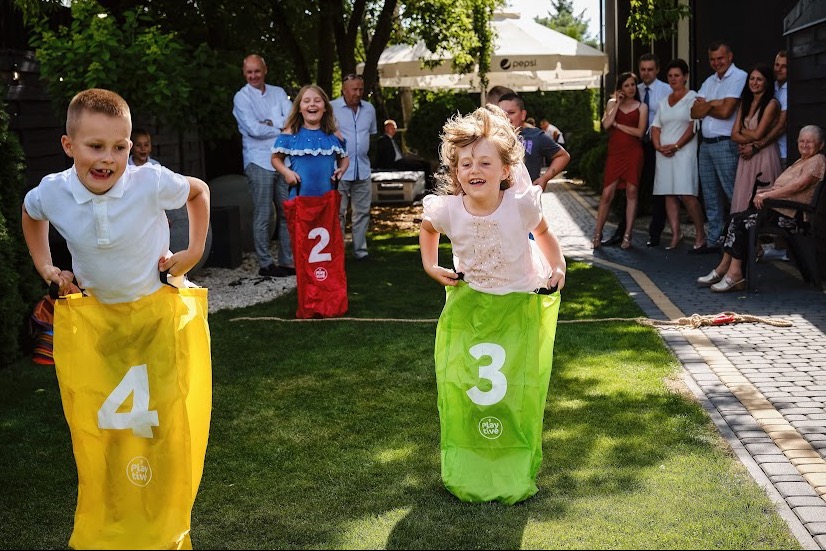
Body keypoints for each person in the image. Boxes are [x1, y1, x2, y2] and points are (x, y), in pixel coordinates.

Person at [21, 88, 210, 304]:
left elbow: (199, 191)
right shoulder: (54, 191)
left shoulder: (150, 180)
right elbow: (30, 211)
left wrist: (194, 251)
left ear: (129, 148)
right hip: (96, 313)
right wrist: (44, 264)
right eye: (96, 146)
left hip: (159, 307)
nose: (108, 158)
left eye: (119, 147)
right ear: (69, 146)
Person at [419, 104, 566, 294]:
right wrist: (430, 265)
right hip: (470, 303)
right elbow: (427, 229)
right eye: (466, 164)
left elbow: (543, 231)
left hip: (519, 301)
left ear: (504, 170)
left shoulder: (520, 205)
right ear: (457, 172)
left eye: (485, 163)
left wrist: (558, 266)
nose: (475, 169)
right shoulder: (448, 210)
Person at [696, 125, 825, 292]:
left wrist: (768, 196)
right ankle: (725, 269)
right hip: (781, 211)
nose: (805, 144)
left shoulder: (817, 160)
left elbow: (798, 186)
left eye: (810, 141)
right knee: (735, 218)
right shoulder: (801, 161)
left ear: (820, 145)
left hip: (793, 217)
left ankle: (733, 274)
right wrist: (766, 192)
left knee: (743, 221)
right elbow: (788, 188)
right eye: (802, 141)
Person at [232, 54, 295, 278]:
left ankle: (288, 261)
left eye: (257, 71)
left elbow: (291, 119)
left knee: (288, 211)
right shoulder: (241, 98)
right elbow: (253, 130)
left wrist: (271, 123)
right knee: (264, 213)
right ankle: (266, 263)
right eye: (249, 72)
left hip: (283, 159)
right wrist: (279, 127)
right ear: (244, 72)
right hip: (258, 161)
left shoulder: (278, 92)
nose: (253, 76)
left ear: (264, 70)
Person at [603, 53, 671, 248]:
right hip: (635, 146)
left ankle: (655, 234)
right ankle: (622, 232)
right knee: (631, 190)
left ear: (657, 70)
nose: (646, 73)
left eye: (650, 69)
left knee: (657, 188)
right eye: (643, 69)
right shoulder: (633, 88)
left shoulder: (666, 90)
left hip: (658, 144)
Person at [690, 40, 748, 253]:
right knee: (710, 196)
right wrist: (717, 103)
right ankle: (714, 241)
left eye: (720, 58)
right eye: (712, 59)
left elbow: (727, 112)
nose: (716, 63)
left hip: (725, 145)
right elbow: (694, 112)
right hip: (705, 146)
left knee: (733, 194)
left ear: (730, 56)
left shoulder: (740, 76)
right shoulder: (709, 81)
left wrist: (708, 105)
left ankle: (741, 241)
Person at [650, 58, 707, 251]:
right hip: (663, 153)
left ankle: (700, 234)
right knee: (669, 194)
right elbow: (656, 127)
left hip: (683, 152)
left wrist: (675, 146)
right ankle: (676, 235)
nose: (673, 79)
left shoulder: (693, 97)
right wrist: (658, 146)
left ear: (685, 77)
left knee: (686, 193)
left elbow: (693, 127)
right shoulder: (663, 102)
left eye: (677, 75)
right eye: (670, 76)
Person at [593, 71, 647, 250]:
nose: (631, 88)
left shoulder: (642, 107)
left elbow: (640, 133)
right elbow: (606, 125)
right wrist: (616, 104)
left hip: (633, 152)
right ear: (620, 88)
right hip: (615, 153)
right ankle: (597, 235)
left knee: (632, 192)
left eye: (633, 85)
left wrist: (619, 125)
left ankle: (627, 235)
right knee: (607, 193)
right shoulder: (611, 103)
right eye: (627, 85)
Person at [271, 85, 349, 199]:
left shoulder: (333, 134)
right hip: (299, 200)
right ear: (299, 108)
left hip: (328, 201)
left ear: (325, 107)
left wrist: (342, 170)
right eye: (306, 101)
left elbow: (344, 157)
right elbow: (275, 158)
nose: (312, 104)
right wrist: (287, 172)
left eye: (317, 101)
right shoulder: (290, 134)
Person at [332, 73, 377, 261]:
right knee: (338, 213)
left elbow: (372, 133)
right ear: (344, 90)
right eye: (354, 89)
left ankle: (361, 251)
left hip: (363, 168)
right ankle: (337, 252)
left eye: (360, 89)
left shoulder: (369, 109)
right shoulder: (332, 108)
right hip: (339, 169)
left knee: (362, 213)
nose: (357, 93)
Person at [729, 64, 782, 215]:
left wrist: (742, 132)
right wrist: (746, 134)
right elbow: (733, 134)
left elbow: (758, 135)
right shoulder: (744, 102)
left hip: (764, 155)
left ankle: (763, 236)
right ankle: (745, 236)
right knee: (744, 195)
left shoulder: (772, 104)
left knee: (761, 197)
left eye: (759, 79)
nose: (754, 82)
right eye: (752, 78)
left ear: (767, 82)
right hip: (746, 156)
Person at [498, 92, 570, 190]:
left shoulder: (536, 136)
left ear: (523, 114)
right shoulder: (492, 137)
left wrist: (545, 178)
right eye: (502, 114)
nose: (507, 118)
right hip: (497, 201)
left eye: (511, 113)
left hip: (528, 199)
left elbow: (563, 156)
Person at [375, 119, 434, 191]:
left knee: (426, 163)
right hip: (396, 164)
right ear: (387, 128)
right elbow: (380, 156)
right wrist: (380, 168)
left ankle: (430, 187)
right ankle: (429, 188)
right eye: (393, 128)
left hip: (402, 160)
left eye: (395, 128)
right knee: (423, 166)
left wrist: (406, 156)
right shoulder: (383, 140)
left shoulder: (393, 140)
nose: (395, 130)